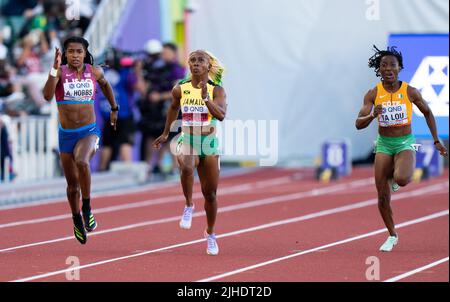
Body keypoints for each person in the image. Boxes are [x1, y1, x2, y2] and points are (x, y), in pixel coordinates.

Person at [355, 46, 448, 252]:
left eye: (392, 65)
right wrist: (372, 115)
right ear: (379, 70)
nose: (388, 69)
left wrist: (436, 140)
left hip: (405, 142)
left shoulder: (410, 91)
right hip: (384, 144)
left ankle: (394, 178)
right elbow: (358, 124)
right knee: (381, 196)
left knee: (403, 179)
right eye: (384, 65)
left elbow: (428, 112)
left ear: (400, 68)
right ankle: (392, 235)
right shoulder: (373, 93)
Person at [43, 36, 118, 244]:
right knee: (72, 186)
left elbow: (106, 86)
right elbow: (47, 96)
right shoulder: (59, 73)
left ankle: (86, 208)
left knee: (82, 161)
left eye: (79, 52)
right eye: (71, 52)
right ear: (65, 54)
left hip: (89, 130)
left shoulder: (94, 72)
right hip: (66, 134)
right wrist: (53, 69)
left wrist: (114, 108)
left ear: (85, 54)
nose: (75, 55)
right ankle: (76, 218)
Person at [153, 50, 227, 255]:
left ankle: (210, 234)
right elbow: (172, 108)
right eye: (192, 60)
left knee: (210, 194)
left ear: (208, 65)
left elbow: (221, 115)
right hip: (188, 139)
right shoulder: (180, 88)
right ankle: (188, 205)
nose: (195, 64)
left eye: (200, 61)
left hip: (209, 143)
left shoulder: (216, 90)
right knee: (186, 165)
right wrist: (166, 133)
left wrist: (206, 99)